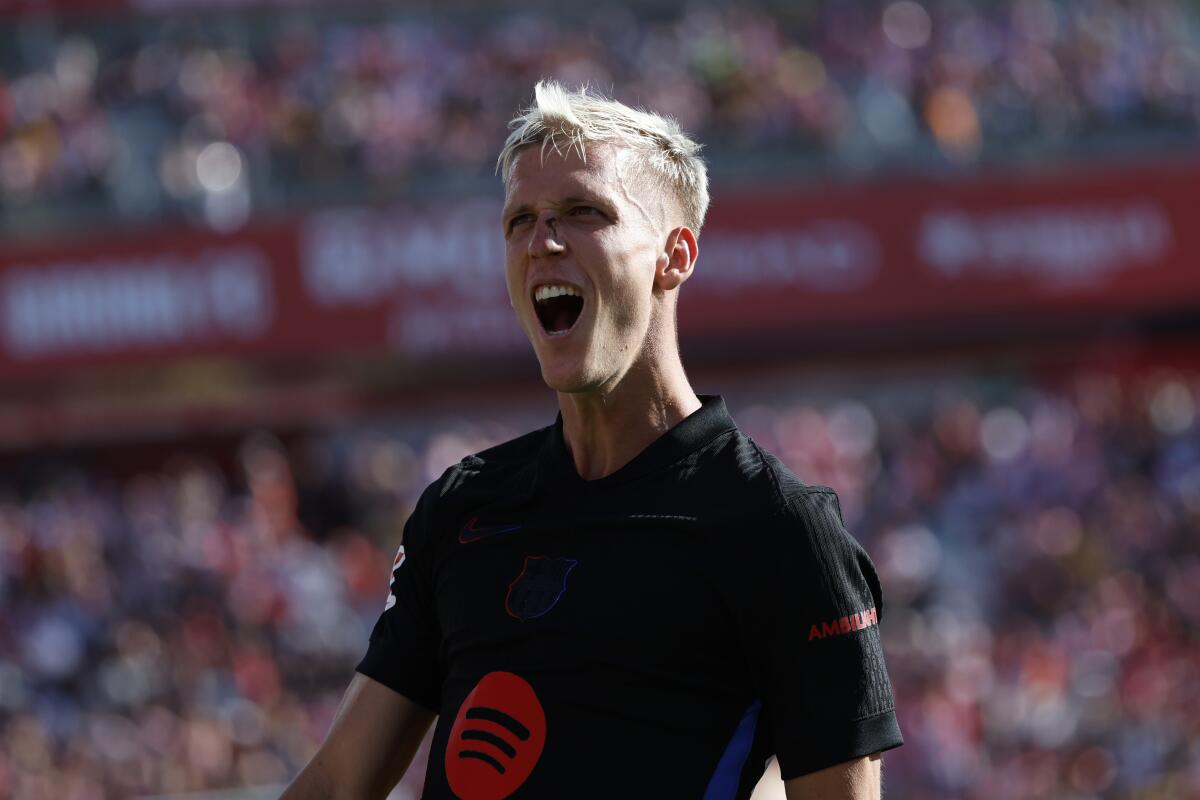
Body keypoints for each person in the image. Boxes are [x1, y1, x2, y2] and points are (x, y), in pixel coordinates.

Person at [282, 81, 902, 800]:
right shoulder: (461, 509)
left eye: (583, 213)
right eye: (521, 220)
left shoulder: (779, 529)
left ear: (675, 256)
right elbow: (337, 783)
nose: (542, 241)